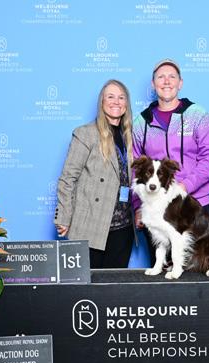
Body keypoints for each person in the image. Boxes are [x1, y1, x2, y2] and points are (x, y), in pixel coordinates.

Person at [132, 59, 209, 263]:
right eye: (161, 77)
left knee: (203, 265)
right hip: (155, 208)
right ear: (153, 84)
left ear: (180, 83)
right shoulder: (141, 122)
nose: (166, 81)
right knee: (163, 268)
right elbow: (135, 169)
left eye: (172, 77)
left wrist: (185, 185)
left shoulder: (197, 115)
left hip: (194, 206)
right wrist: (138, 206)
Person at [54, 79, 135, 268]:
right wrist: (63, 218)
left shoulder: (131, 136)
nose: (116, 102)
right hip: (91, 225)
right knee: (88, 284)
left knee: (116, 284)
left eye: (121, 97)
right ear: (102, 101)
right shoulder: (85, 134)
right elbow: (67, 179)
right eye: (110, 96)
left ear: (126, 104)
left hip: (123, 228)